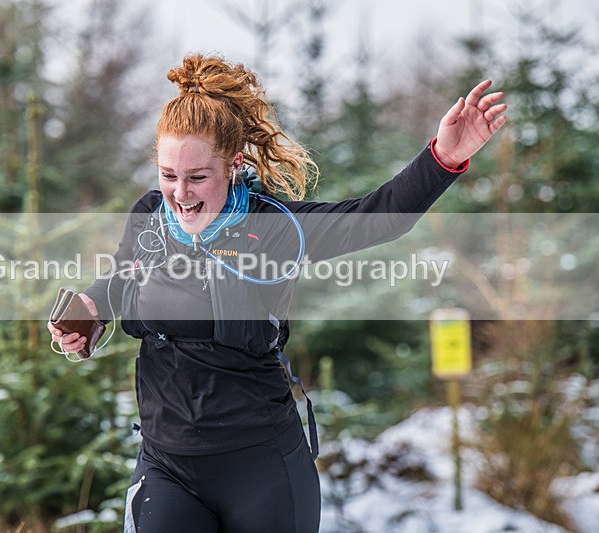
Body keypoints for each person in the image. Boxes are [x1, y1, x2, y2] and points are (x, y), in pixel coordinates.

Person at [47, 53, 506, 533]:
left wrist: (444, 158)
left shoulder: (274, 227)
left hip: (263, 468)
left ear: (233, 164)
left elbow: (379, 216)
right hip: (168, 466)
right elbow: (120, 280)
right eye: (168, 176)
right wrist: (89, 312)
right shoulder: (149, 217)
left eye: (197, 176)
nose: (180, 194)